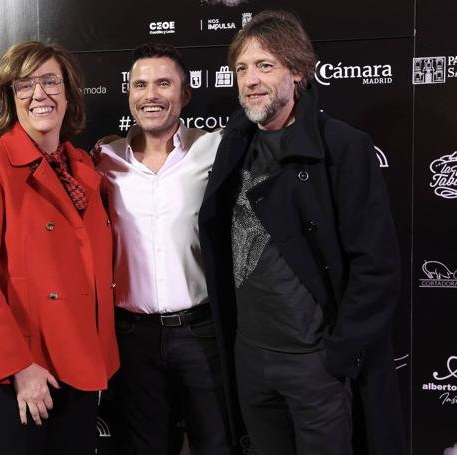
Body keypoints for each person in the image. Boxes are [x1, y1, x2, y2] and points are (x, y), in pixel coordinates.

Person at [199, 10, 406, 455]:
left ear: (297, 72)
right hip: (250, 357)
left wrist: (336, 355)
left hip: (315, 364)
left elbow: (377, 266)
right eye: (241, 68)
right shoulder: (234, 144)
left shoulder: (342, 147)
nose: (250, 79)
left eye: (265, 65)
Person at [0, 41, 119, 455]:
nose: (39, 94)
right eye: (24, 84)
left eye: (50, 81)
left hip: (78, 357)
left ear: (69, 93)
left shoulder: (82, 167)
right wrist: (18, 367)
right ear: (12, 98)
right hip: (16, 365)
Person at [96, 43, 235, 455]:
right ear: (129, 95)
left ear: (185, 93)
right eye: (140, 85)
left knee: (216, 445)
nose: (151, 95)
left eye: (163, 83)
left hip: (201, 332)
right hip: (131, 337)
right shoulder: (103, 160)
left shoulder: (214, 149)